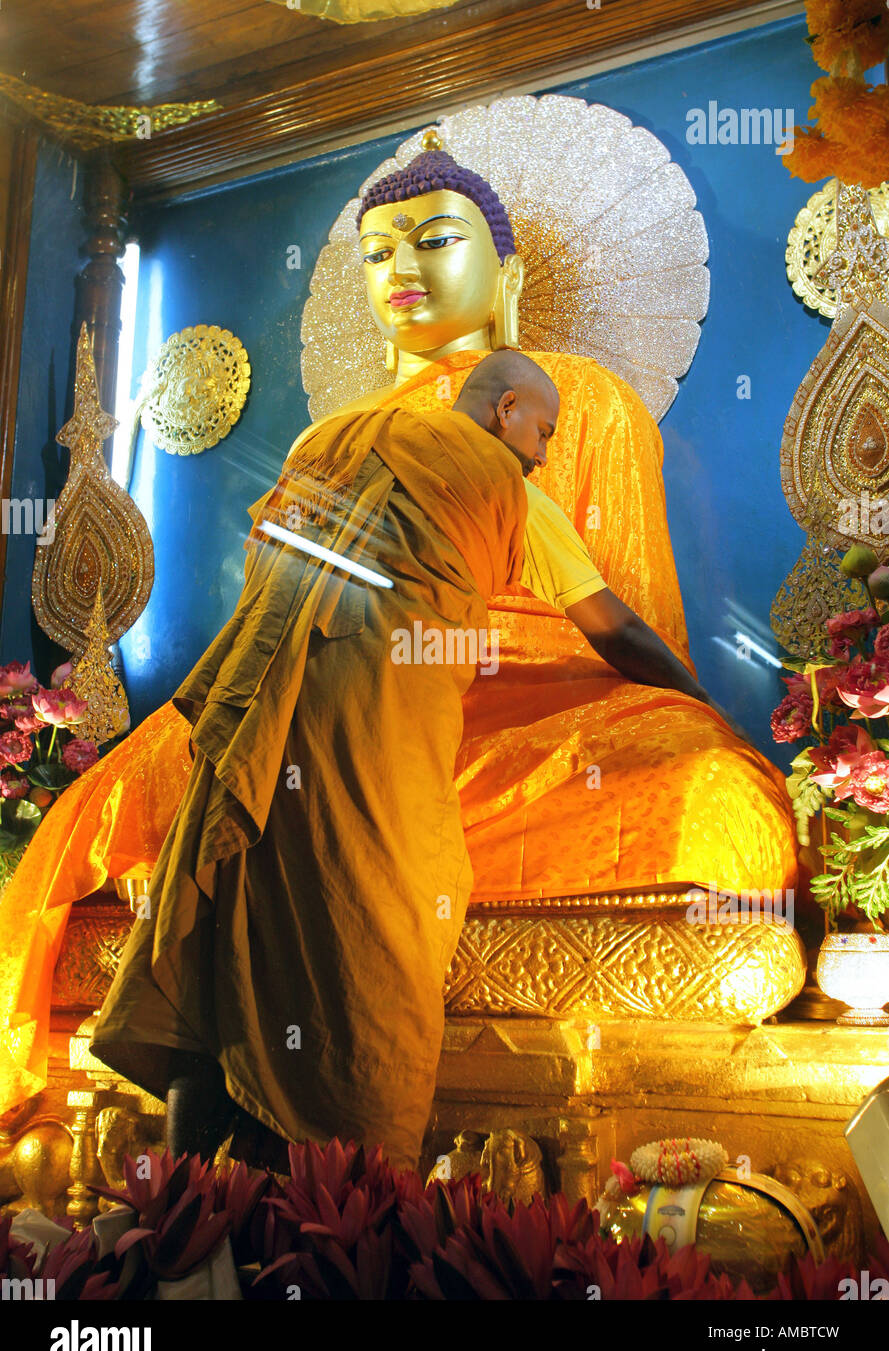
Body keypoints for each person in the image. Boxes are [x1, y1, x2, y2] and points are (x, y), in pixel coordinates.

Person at [87, 352, 739, 1172]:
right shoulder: (502, 483)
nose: (542, 453)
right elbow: (616, 631)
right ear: (506, 410)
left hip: (248, 709)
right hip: (370, 724)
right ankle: (337, 1196)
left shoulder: (327, 440)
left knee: (215, 927)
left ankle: (184, 1224)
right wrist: (705, 703)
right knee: (380, 924)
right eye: (541, 431)